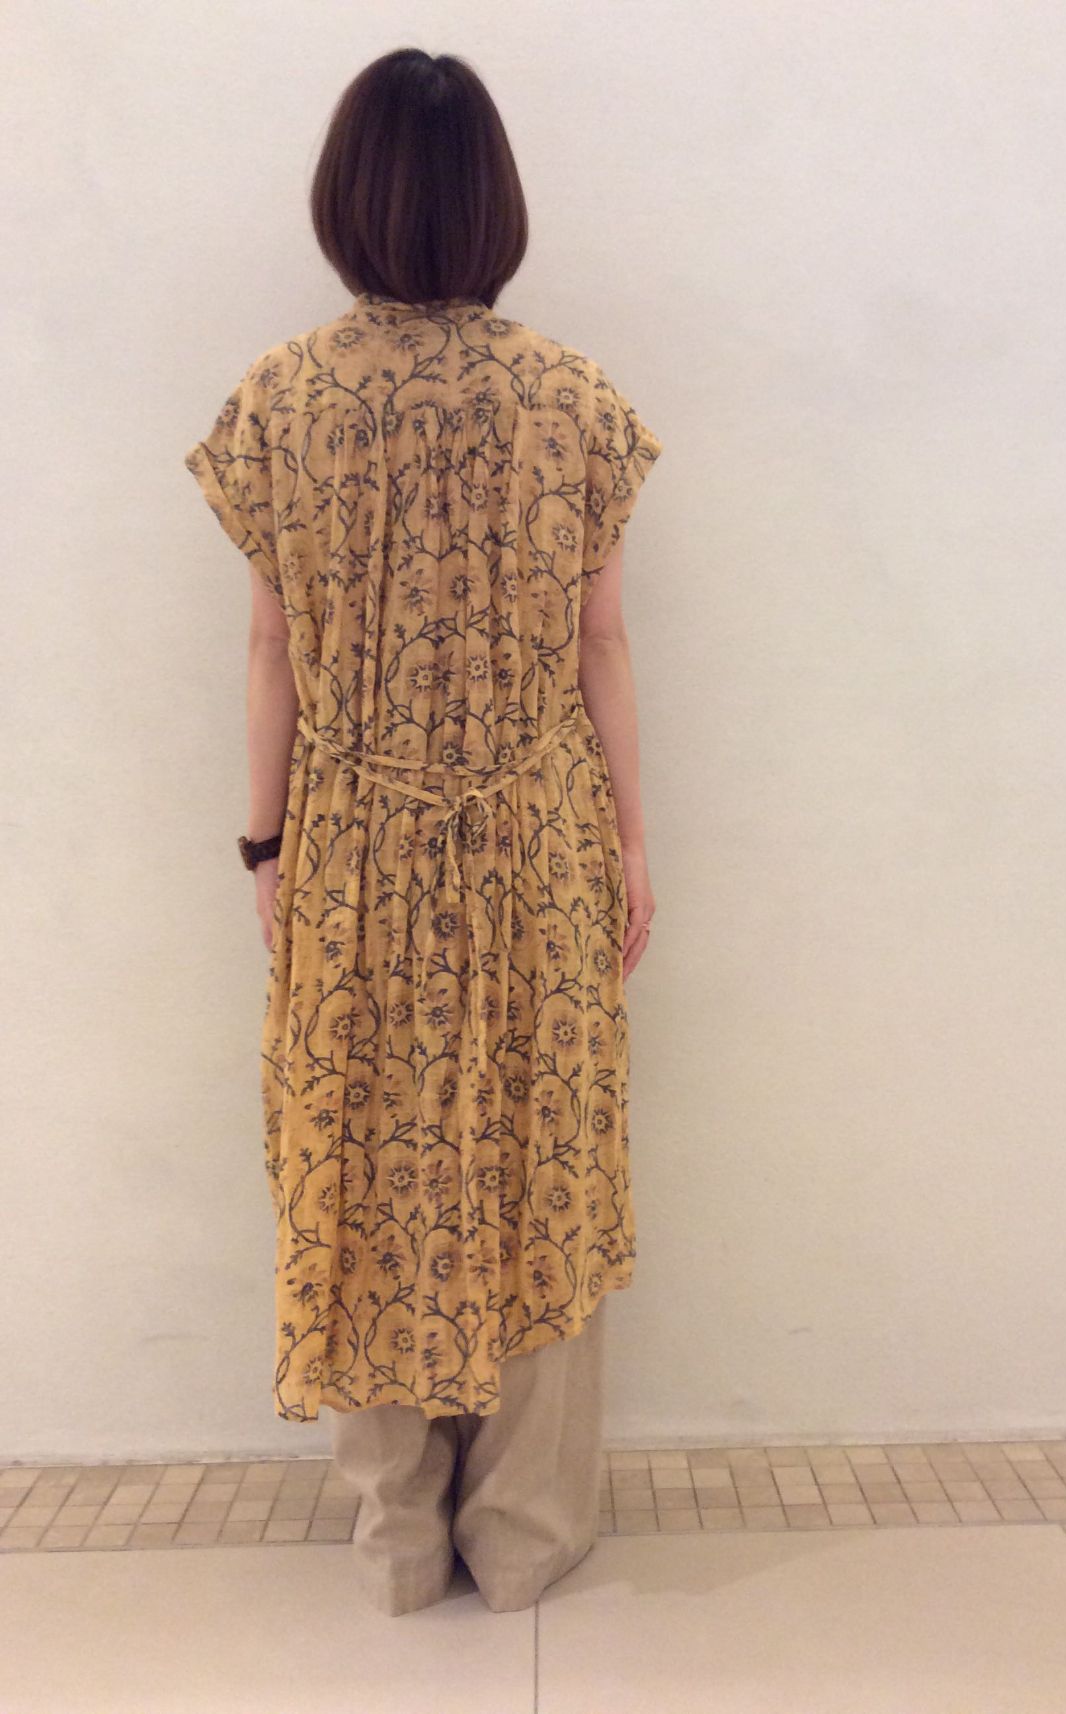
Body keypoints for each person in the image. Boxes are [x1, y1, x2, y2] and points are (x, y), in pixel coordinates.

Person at [182, 45, 663, 1614]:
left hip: (354, 842)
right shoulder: (574, 399)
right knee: (539, 1155)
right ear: (495, 206)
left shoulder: (280, 401)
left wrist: (265, 846)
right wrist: (631, 844)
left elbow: (273, 653)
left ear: (347, 201)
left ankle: (398, 1537)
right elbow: (601, 645)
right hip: (536, 834)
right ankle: (524, 1535)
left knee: (359, 1161)